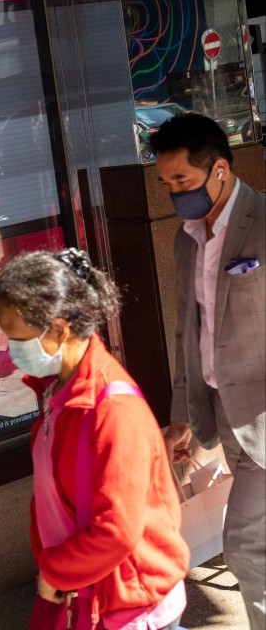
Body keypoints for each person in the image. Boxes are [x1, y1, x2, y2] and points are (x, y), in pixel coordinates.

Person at [0, 248, 189, 629]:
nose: (11, 350)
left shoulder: (111, 408)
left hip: (125, 604)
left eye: (17, 337)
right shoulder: (58, 389)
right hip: (84, 589)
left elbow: (115, 531)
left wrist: (56, 571)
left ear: (60, 330)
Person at [151, 113, 265, 630]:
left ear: (220, 169)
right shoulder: (184, 239)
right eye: (166, 182)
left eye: (183, 181)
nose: (174, 192)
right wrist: (183, 418)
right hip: (222, 415)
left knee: (244, 546)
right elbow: (187, 336)